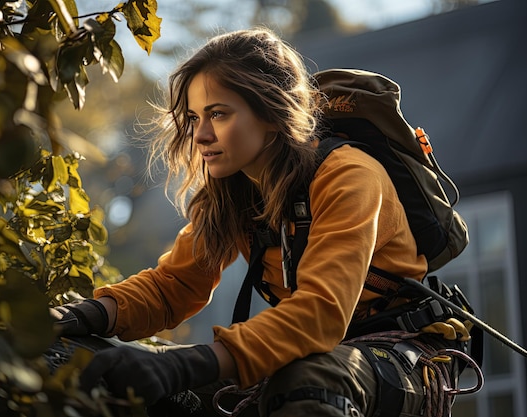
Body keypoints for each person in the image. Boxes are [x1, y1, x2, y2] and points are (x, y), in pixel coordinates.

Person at [52, 28, 470, 417]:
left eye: (218, 114)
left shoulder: (349, 174)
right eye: (195, 118)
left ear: (271, 113)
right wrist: (84, 315)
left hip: (400, 355)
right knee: (105, 368)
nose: (199, 135)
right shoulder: (233, 193)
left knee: (309, 382)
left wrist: (186, 364)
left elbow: (320, 313)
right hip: (301, 351)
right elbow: (174, 287)